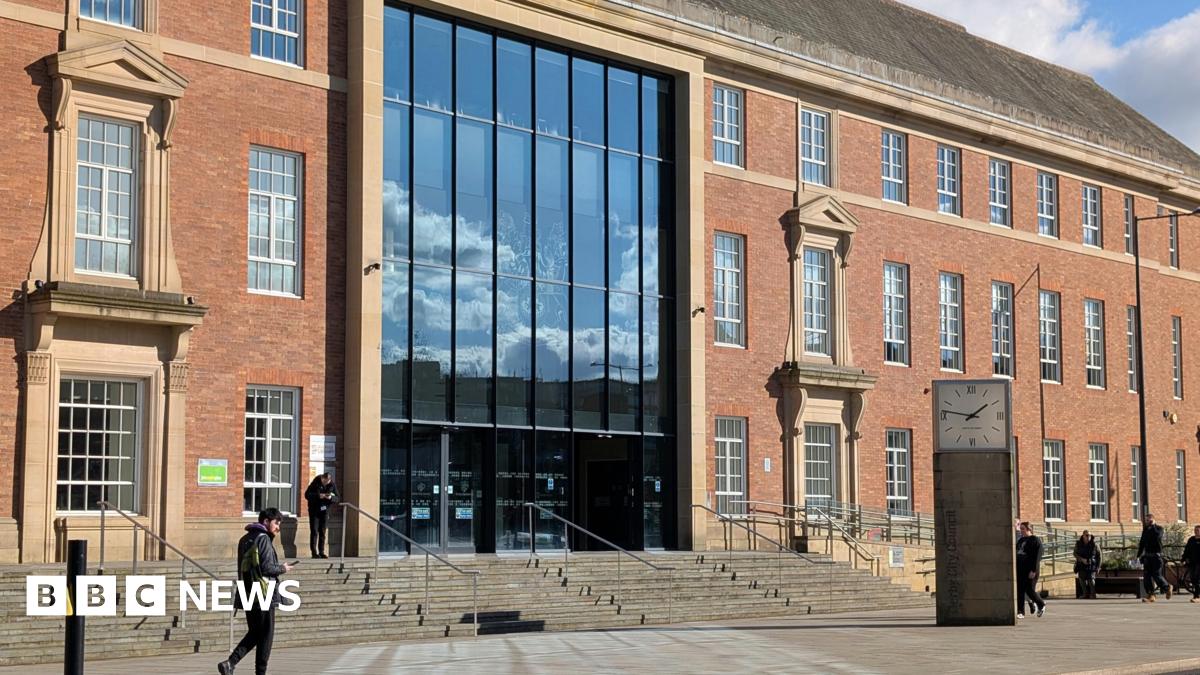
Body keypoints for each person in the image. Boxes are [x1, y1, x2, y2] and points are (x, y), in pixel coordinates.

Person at [218, 508, 294, 675]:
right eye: (276, 523)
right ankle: (259, 672)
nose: (278, 527)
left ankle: (230, 663)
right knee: (266, 636)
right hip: (264, 593)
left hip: (247, 592)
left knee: (255, 632)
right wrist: (283, 568)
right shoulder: (263, 539)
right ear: (266, 521)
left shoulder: (244, 539)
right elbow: (267, 568)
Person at [1137, 513, 1171, 602]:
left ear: (1153, 520)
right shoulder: (1145, 530)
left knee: (1157, 575)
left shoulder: (1159, 529)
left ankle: (1167, 587)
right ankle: (1151, 595)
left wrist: (1153, 526)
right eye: (1146, 520)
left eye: (1149, 520)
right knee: (1146, 576)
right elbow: (1142, 543)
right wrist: (1138, 555)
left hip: (1156, 556)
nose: (1147, 522)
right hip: (1147, 557)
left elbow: (1157, 537)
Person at [304, 472, 338, 558]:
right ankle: (314, 552)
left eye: (327, 482)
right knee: (314, 531)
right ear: (322, 478)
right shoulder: (315, 483)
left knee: (322, 531)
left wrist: (330, 498)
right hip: (314, 510)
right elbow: (307, 495)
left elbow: (338, 498)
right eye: (324, 481)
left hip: (325, 511)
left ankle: (321, 551)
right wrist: (319, 496)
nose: (326, 483)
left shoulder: (332, 484)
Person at [1015, 521, 1046, 618]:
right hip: (1020, 569)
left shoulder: (1035, 540)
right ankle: (1020, 611)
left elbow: (1038, 556)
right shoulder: (1020, 540)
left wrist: (1033, 570)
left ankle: (1041, 604)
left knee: (1029, 589)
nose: (1021, 531)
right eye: (1021, 529)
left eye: (1023, 529)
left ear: (1029, 529)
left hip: (1031, 570)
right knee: (1019, 590)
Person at [1073, 530, 1101, 599]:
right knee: (1081, 579)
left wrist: (1098, 567)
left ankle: (1093, 594)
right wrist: (1082, 559)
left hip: (1091, 564)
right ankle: (1085, 594)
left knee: (1091, 579)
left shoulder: (1095, 544)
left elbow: (1099, 556)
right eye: (1087, 535)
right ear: (1083, 536)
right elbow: (1075, 553)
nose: (1088, 537)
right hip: (1081, 564)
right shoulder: (1078, 544)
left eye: (1090, 535)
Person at [1182, 524, 1200, 603]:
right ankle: (1196, 594)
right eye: (1195, 530)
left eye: (1198, 530)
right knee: (1192, 578)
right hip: (1192, 562)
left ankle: (1197, 596)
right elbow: (1187, 550)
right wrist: (1183, 558)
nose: (1196, 532)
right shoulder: (1191, 539)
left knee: (1197, 578)